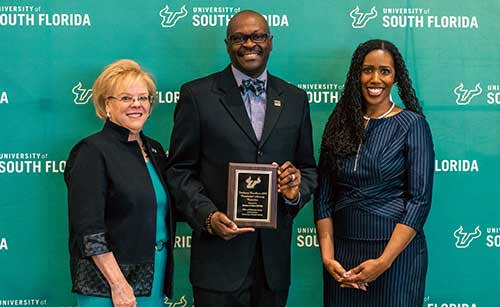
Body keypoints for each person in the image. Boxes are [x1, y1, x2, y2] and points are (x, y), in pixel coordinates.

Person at [166, 10, 317, 307]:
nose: (249, 44)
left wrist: (294, 190)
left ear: (270, 41)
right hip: (218, 263)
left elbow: (308, 169)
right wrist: (207, 216)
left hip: (273, 265)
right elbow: (179, 170)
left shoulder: (295, 99)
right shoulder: (197, 96)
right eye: (239, 38)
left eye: (258, 36)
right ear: (227, 44)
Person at [314, 39, 434, 307]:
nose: (375, 78)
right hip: (342, 259)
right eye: (367, 70)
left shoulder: (412, 125)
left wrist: (383, 262)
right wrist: (328, 257)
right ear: (357, 74)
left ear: (395, 78)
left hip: (396, 257)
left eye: (384, 71)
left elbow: (419, 201)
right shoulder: (338, 124)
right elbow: (323, 197)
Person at [65, 59, 175, 307]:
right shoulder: (91, 152)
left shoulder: (155, 150)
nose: (137, 104)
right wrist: (118, 284)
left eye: (143, 98)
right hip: (108, 285)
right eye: (126, 98)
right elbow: (88, 230)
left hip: (153, 277)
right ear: (107, 105)